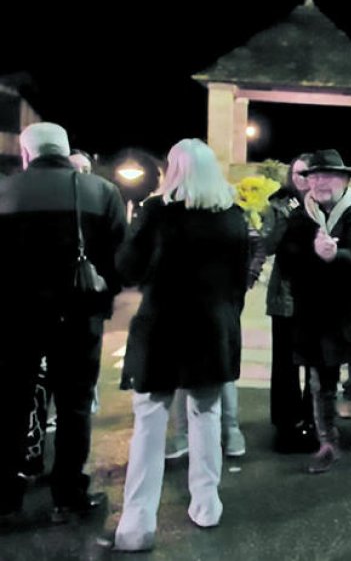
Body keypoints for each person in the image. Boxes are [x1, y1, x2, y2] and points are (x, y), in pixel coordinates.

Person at [111, 139, 250, 551]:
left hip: (162, 327)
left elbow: (129, 268)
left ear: (173, 169)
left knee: (150, 422)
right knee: (206, 413)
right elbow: (240, 280)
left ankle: (137, 523)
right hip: (212, 327)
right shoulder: (234, 216)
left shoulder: (157, 212)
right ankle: (207, 503)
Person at [0, 123, 125, 525]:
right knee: (74, 406)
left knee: (12, 403)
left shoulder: (5, 191)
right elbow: (118, 260)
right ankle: (68, 495)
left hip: (15, 318)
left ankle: (5, 495)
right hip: (78, 316)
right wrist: (103, 301)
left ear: (26, 153)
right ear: (66, 150)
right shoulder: (99, 192)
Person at [277, 149, 351, 475]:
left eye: (326, 175)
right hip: (315, 315)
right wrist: (312, 255)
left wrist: (336, 256)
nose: (318, 182)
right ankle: (327, 443)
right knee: (320, 384)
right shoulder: (299, 215)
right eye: (313, 176)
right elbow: (286, 262)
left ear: (343, 179)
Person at [262, 153, 318, 453]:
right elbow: (267, 245)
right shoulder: (277, 203)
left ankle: (313, 419)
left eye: (308, 173)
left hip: (315, 294)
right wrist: (285, 218)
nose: (303, 178)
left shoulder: (325, 203)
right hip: (284, 293)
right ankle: (285, 422)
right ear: (290, 175)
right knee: (284, 362)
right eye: (298, 173)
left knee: (314, 361)